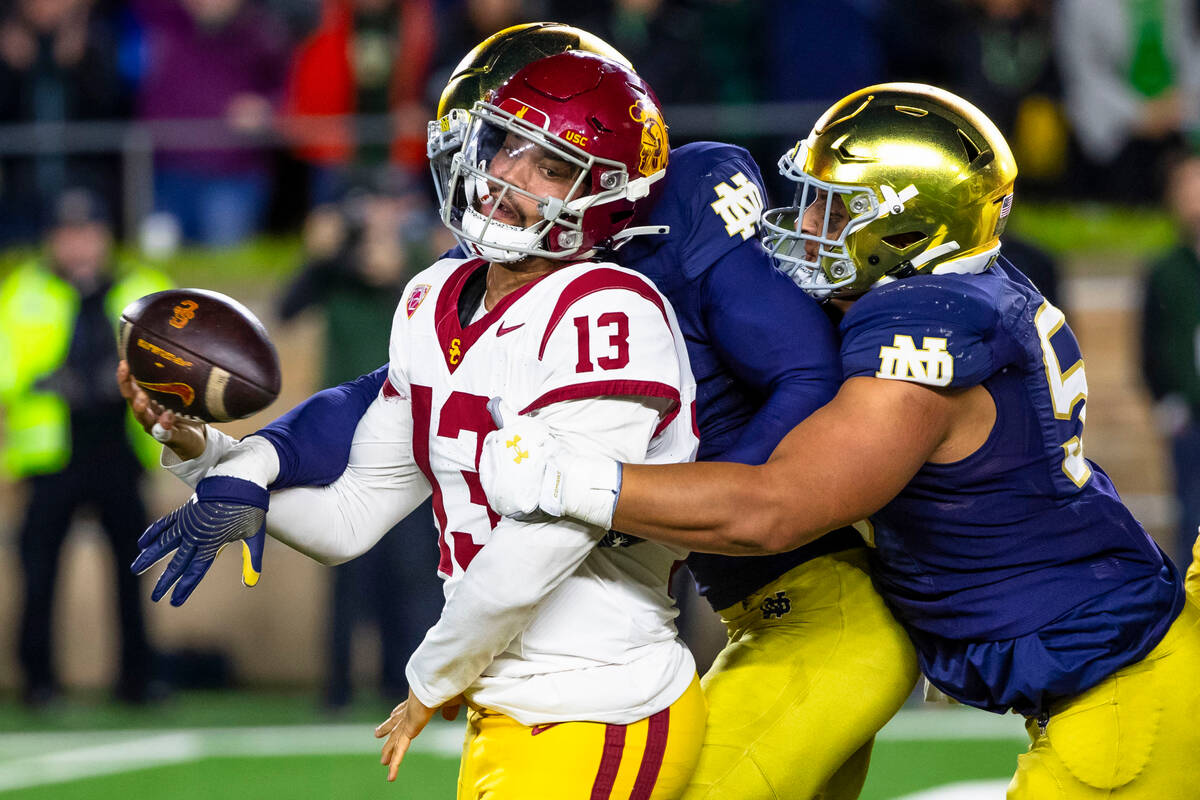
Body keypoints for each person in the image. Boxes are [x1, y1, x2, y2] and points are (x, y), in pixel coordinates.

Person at [130, 22, 917, 799]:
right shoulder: (459, 285)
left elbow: (806, 370)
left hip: (705, 641)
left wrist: (720, 505)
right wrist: (227, 463)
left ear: (611, 168)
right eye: (498, 142)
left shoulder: (628, 289)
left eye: (547, 157)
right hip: (574, 670)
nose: (502, 174)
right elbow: (377, 442)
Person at [480, 82, 1200, 799]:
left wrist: (568, 482)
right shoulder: (961, 291)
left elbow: (774, 510)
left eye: (835, 205)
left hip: (1124, 706)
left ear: (910, 229)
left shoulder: (923, 335)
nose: (807, 220)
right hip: (1115, 686)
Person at [277, 169, 444, 708]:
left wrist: (391, 254)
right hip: (346, 442)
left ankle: (407, 686)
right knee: (349, 568)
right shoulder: (333, 270)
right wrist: (326, 254)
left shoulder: (421, 257)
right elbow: (287, 307)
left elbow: (437, 291)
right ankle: (339, 688)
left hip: (413, 437)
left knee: (414, 569)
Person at [0, 188, 170, 706]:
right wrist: (45, 381)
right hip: (52, 452)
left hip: (119, 449)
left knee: (132, 569)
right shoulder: (23, 290)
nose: (77, 244)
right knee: (39, 570)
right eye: (67, 233)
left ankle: (137, 680)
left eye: (87, 232)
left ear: (105, 236)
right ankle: (38, 681)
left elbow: (176, 362)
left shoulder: (143, 288)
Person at [1141, 149, 1200, 582]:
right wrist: (1167, 402)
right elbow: (1151, 346)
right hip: (1191, 421)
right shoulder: (1166, 270)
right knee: (1191, 516)